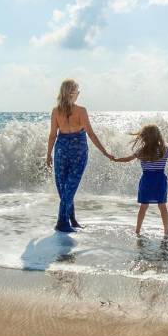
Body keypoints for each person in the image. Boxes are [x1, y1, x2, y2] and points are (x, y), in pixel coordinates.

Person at [46, 79, 112, 232]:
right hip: (78, 151)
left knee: (65, 188)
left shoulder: (56, 111)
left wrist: (48, 154)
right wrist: (105, 152)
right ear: (73, 93)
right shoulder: (81, 110)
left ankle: (72, 219)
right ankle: (62, 223)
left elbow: (52, 135)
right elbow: (91, 133)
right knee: (68, 188)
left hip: (61, 150)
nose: (79, 94)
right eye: (77, 91)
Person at [112, 124, 168, 236]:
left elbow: (127, 159)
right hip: (160, 181)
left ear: (144, 137)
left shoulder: (141, 151)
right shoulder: (164, 150)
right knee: (162, 206)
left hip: (146, 181)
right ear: (158, 136)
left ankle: (138, 230)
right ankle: (166, 231)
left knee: (143, 206)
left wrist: (115, 159)